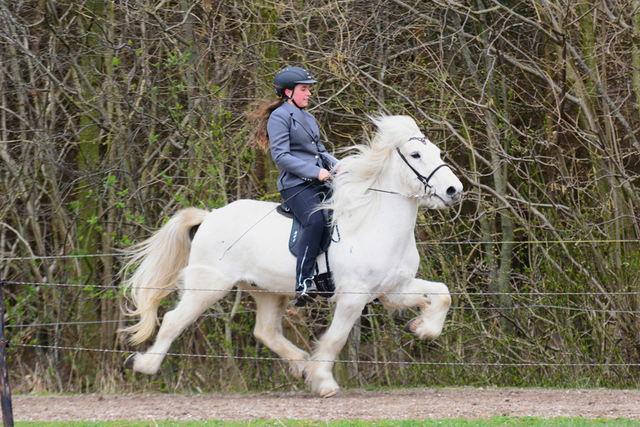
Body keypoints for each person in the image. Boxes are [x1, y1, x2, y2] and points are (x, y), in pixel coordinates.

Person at [252, 66, 338, 307]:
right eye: (304, 89)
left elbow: (320, 151)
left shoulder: (309, 117)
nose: (309, 93)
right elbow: (281, 156)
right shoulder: (279, 117)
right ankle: (304, 282)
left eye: (309, 89)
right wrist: (316, 171)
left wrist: (338, 166)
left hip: (321, 180)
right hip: (296, 185)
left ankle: (330, 278)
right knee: (316, 220)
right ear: (288, 92)